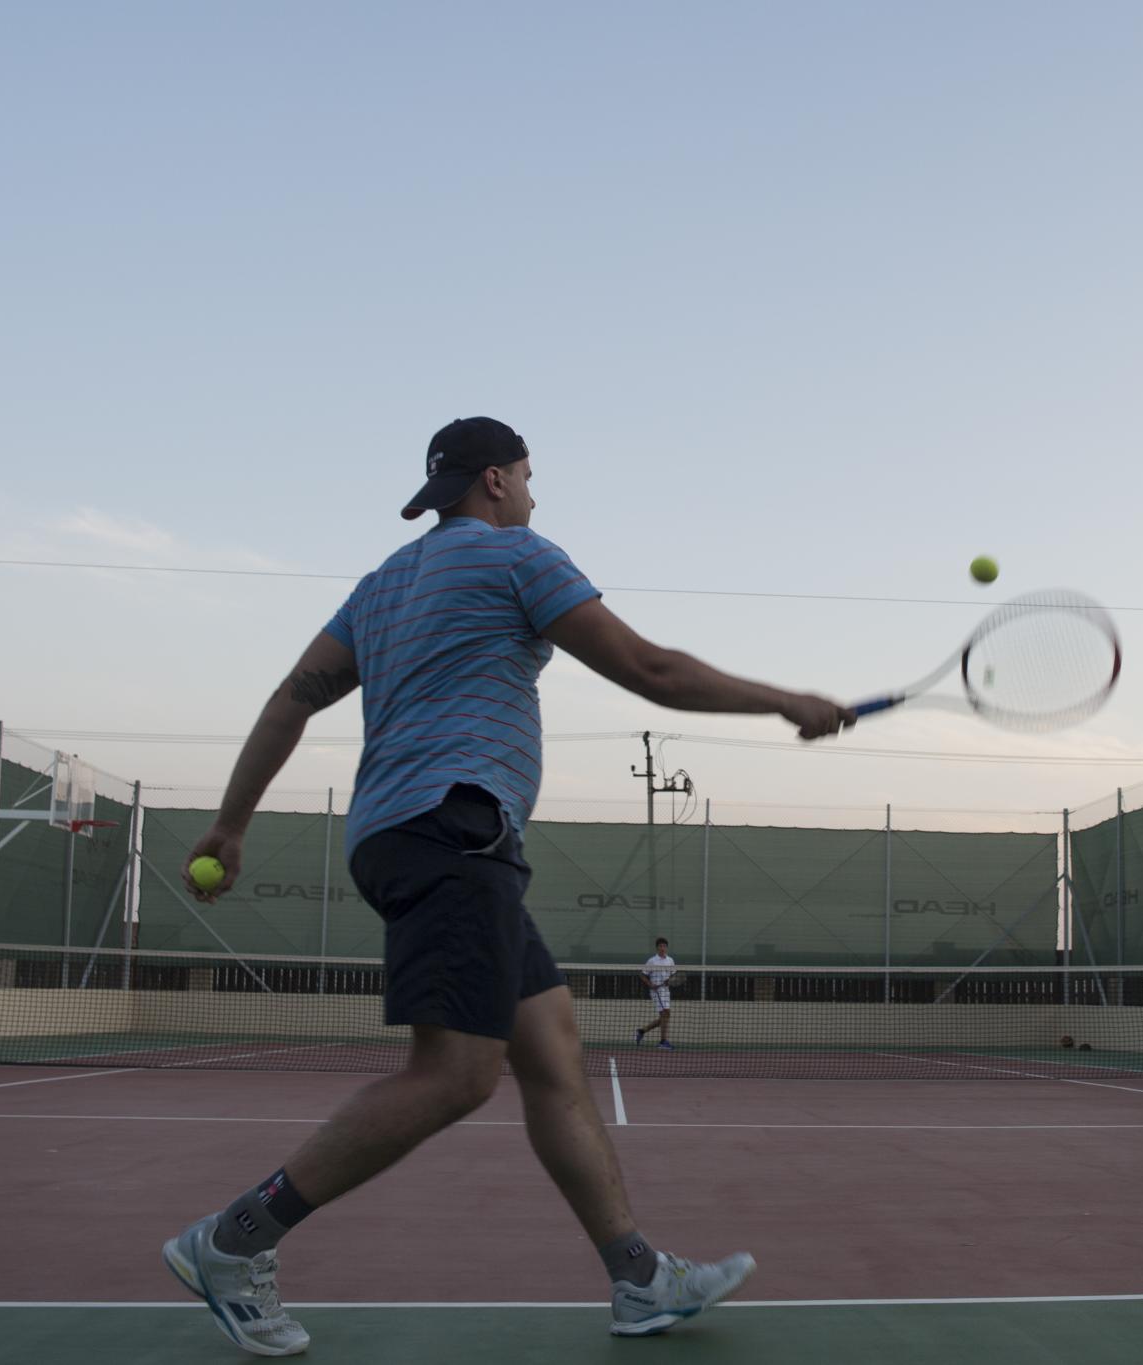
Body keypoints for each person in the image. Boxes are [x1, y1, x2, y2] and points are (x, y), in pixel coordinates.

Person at [162, 417, 855, 1356]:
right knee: (454, 1076)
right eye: (529, 477)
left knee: (552, 1055)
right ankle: (234, 1242)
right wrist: (783, 699)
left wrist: (231, 822)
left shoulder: (382, 585)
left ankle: (638, 1278)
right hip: (450, 830)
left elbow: (294, 695)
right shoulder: (519, 556)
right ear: (495, 480)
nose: (532, 494)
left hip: (413, 835)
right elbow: (647, 668)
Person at [635, 937, 677, 1049]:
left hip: (666, 991)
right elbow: (642, 975)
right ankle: (663, 1042)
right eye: (660, 946)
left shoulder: (670, 960)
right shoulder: (652, 960)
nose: (662, 948)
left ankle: (642, 1031)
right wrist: (650, 984)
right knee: (665, 1014)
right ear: (657, 948)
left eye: (664, 946)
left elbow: (673, 975)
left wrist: (670, 981)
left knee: (666, 1016)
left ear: (666, 948)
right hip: (656, 991)